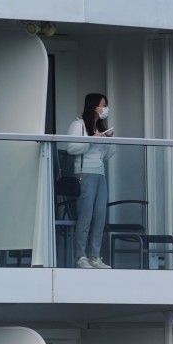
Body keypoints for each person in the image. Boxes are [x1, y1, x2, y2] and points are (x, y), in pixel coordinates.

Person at [66, 93, 116, 269]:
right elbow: (71, 148)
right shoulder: (78, 125)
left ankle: (94, 255)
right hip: (84, 172)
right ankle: (81, 256)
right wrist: (92, 139)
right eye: (103, 105)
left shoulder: (99, 127)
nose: (105, 109)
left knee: (100, 216)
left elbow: (106, 156)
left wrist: (109, 141)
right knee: (85, 216)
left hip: (99, 173)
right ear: (95, 106)